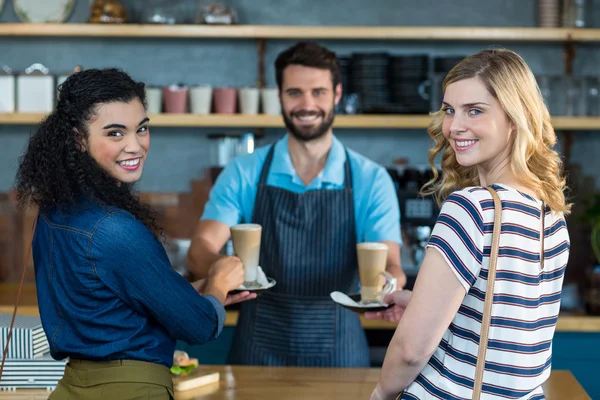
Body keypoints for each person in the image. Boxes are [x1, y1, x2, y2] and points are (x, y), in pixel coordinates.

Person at [13, 68, 254, 399]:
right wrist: (219, 280)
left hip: (71, 387)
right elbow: (199, 326)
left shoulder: (55, 212)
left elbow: (102, 302)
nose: (135, 146)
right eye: (115, 133)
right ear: (78, 139)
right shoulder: (114, 229)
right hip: (131, 389)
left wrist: (190, 294)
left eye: (141, 129)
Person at [186, 41, 406, 368]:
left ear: (336, 94)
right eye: (295, 93)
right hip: (256, 350)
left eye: (318, 92)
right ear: (279, 97)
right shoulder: (244, 172)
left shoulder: (370, 179)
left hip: (340, 354)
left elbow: (392, 265)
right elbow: (200, 249)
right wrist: (222, 273)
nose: (307, 104)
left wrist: (388, 283)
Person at [368, 48, 571, 399]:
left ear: (514, 118)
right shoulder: (550, 215)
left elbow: (410, 351)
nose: (454, 126)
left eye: (474, 111)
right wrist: (420, 304)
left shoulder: (472, 207)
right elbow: (502, 329)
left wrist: (381, 394)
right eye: (449, 110)